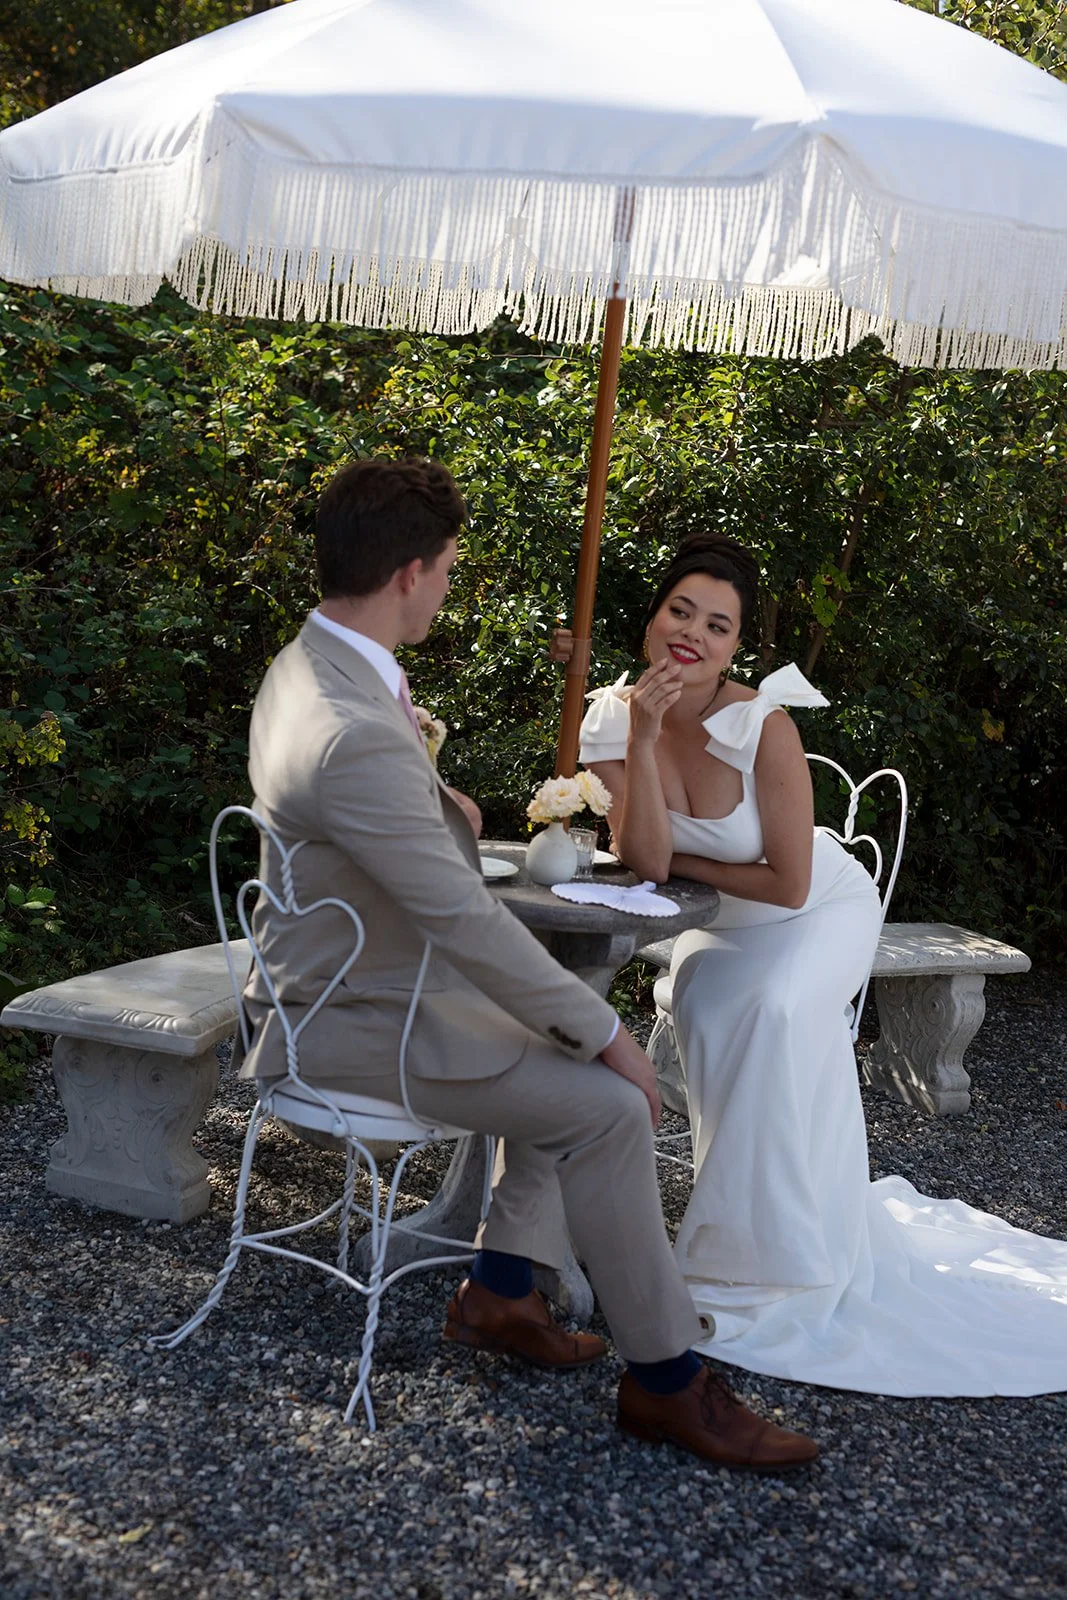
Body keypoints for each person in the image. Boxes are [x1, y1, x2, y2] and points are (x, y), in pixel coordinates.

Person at [237, 458, 817, 1467]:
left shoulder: (311, 663)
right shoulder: (352, 728)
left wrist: (440, 803)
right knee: (607, 1098)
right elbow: (465, 920)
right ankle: (667, 1383)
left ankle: (502, 1290)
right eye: (448, 568)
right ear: (411, 573)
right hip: (347, 1017)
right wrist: (607, 1036)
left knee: (564, 1043)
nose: (447, 584)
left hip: (348, 979)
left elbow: (372, 815)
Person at [578, 532, 1067, 1397]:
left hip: (814, 910)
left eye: (717, 625)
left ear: (736, 646)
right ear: (651, 618)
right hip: (725, 922)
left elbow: (787, 880)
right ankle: (754, 1231)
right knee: (703, 1004)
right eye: (680, 612)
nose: (693, 634)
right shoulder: (614, 718)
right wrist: (645, 738)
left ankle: (778, 1265)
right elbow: (644, 858)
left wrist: (677, 863)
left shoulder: (761, 724)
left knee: (772, 1010)